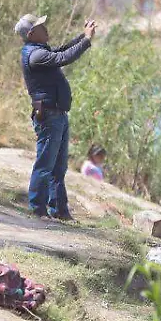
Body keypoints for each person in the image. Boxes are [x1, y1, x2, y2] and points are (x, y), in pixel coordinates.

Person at [16, 13, 96, 220]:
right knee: (45, 165)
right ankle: (37, 209)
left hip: (57, 115)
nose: (46, 29)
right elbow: (63, 58)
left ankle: (60, 211)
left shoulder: (39, 51)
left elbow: (60, 51)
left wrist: (82, 36)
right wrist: (86, 40)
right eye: (42, 27)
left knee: (59, 167)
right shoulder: (35, 55)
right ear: (32, 33)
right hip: (49, 117)